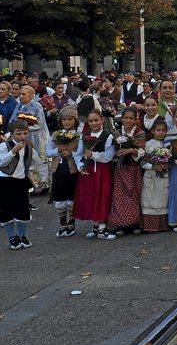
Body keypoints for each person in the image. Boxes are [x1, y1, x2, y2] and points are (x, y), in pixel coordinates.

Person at [73, 111, 116, 239]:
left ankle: (103, 226)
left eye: (96, 120)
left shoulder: (108, 136)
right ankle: (95, 225)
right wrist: (81, 166)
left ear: (102, 120)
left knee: (102, 196)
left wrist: (94, 155)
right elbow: (78, 154)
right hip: (88, 170)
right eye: (91, 121)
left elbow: (109, 156)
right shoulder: (84, 136)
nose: (93, 123)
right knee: (91, 196)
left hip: (102, 170)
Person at [1, 121, 43, 249]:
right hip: (5, 181)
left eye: (25, 133)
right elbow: (1, 162)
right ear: (12, 134)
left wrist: (42, 178)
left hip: (21, 181)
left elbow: (38, 163)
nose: (22, 136)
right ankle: (11, 237)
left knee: (23, 210)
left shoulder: (29, 148)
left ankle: (21, 236)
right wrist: (13, 151)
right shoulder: (4, 146)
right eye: (18, 134)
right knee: (5, 210)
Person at [107, 107, 146, 235]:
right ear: (122, 119)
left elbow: (142, 151)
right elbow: (111, 151)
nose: (128, 121)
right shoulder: (117, 133)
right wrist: (117, 153)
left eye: (131, 118)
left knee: (134, 193)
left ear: (136, 120)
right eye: (126, 118)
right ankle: (121, 223)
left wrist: (130, 150)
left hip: (134, 168)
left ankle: (135, 222)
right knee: (119, 195)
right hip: (120, 168)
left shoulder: (139, 133)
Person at [46, 106, 81, 237]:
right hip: (58, 169)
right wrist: (58, 151)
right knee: (60, 197)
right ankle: (62, 225)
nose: (67, 122)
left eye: (70, 119)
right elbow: (48, 151)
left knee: (71, 197)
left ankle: (71, 224)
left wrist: (71, 153)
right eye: (64, 119)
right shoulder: (56, 135)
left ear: (75, 120)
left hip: (72, 169)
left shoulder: (79, 135)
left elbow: (81, 152)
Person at [10, 85, 50, 190]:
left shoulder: (37, 106)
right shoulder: (19, 106)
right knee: (27, 160)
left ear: (31, 95)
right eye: (21, 94)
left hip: (37, 137)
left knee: (39, 160)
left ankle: (44, 184)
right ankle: (34, 185)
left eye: (24, 94)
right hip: (23, 137)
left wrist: (24, 126)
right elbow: (13, 120)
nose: (21, 96)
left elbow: (39, 124)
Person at [141, 119, 170, 233]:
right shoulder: (148, 145)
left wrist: (166, 166)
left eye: (163, 130)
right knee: (150, 199)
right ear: (153, 131)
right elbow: (142, 163)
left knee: (163, 198)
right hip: (151, 176)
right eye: (158, 130)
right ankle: (150, 225)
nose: (161, 133)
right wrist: (153, 167)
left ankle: (163, 224)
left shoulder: (167, 144)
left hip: (163, 176)